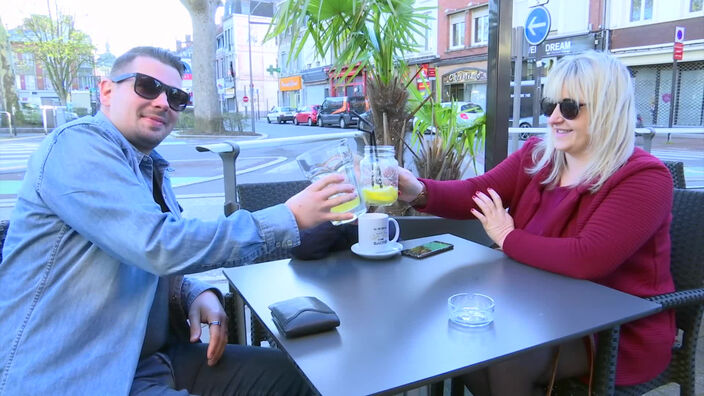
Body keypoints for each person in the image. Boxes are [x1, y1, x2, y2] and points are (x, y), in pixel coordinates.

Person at [0, 46, 357, 395]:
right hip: (79, 372)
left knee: (297, 376)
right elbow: (157, 245)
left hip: (155, 358)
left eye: (176, 97)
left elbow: (137, 259)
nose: (162, 102)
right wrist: (290, 217)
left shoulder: (150, 166)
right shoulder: (77, 147)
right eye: (147, 86)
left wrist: (191, 291)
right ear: (107, 91)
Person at [397, 51, 675, 395]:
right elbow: (476, 193)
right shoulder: (538, 155)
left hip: (611, 325)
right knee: (464, 340)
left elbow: (587, 257)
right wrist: (417, 191)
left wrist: (507, 236)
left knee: (507, 354)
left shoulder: (644, 177)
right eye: (550, 106)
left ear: (608, 109)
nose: (554, 118)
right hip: (534, 302)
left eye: (570, 108)